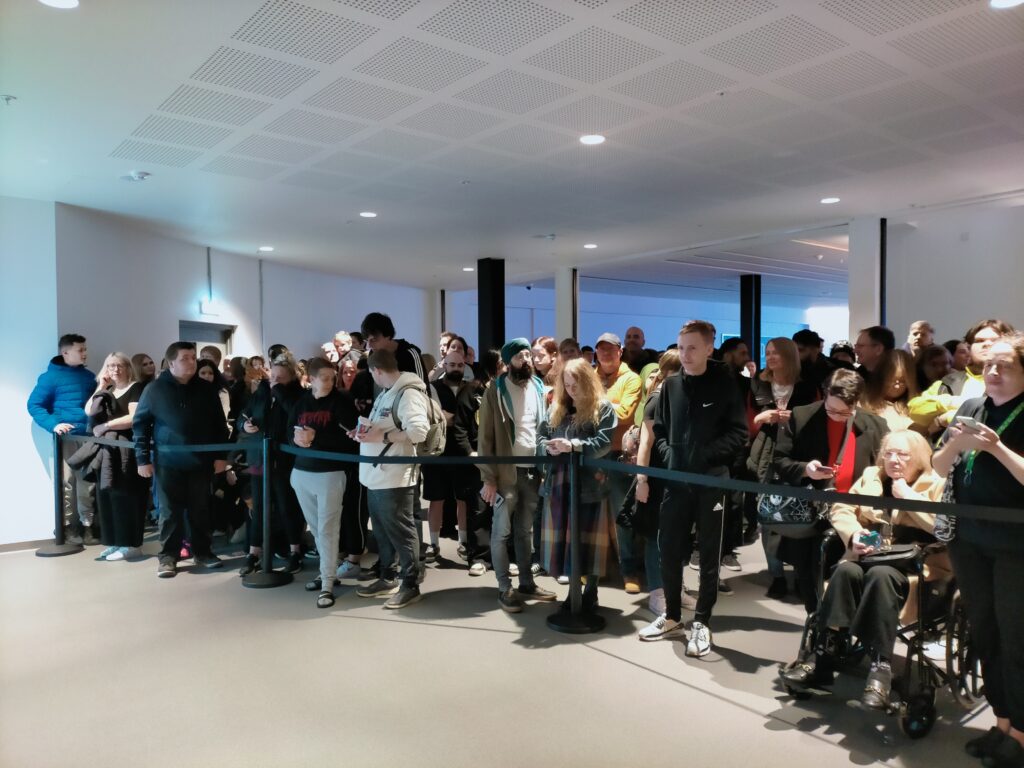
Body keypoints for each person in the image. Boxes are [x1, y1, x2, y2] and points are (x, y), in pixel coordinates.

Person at [781, 430, 946, 708]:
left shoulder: (935, 484)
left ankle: (880, 667)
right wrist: (854, 534)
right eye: (889, 453)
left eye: (902, 454)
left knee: (881, 576)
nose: (893, 460)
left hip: (913, 566)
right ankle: (823, 656)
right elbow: (841, 508)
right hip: (870, 556)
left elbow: (944, 528)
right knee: (846, 571)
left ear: (918, 457)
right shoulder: (871, 475)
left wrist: (907, 496)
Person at [932, 332, 1024, 767]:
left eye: (1004, 366)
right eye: (988, 364)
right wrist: (955, 444)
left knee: (1016, 639)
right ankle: (1003, 721)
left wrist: (996, 447)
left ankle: (1020, 735)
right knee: (985, 632)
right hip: (970, 540)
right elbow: (937, 465)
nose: (992, 372)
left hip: (1015, 546)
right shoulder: (970, 406)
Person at [639, 320, 747, 658]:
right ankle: (672, 615)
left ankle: (701, 621)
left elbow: (738, 433)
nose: (685, 354)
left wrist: (702, 458)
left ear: (709, 348)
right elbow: (662, 432)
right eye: (681, 347)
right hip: (676, 481)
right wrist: (673, 458)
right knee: (668, 546)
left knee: (709, 553)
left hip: (712, 482)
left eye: (693, 347)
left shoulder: (726, 383)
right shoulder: (670, 385)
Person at [772, 369, 889, 613]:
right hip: (811, 513)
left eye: (843, 412)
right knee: (808, 574)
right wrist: (806, 469)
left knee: (855, 573)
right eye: (830, 409)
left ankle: (845, 633)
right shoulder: (802, 416)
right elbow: (780, 460)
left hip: (857, 516)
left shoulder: (876, 426)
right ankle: (816, 627)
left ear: (856, 403)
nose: (835, 416)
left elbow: (882, 470)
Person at [133, 342, 230, 578]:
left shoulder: (206, 389)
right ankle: (168, 557)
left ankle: (203, 552)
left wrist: (220, 456)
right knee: (169, 512)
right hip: (168, 462)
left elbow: (219, 424)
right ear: (171, 362)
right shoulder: (155, 389)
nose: (192, 362)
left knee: (200, 509)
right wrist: (142, 459)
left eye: (193, 358)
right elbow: (141, 425)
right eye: (185, 358)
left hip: (200, 462)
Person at [477, 339, 557, 612]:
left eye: (529, 355)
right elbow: (485, 436)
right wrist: (488, 477)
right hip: (504, 474)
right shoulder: (495, 390)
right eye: (521, 356)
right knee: (501, 533)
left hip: (533, 471)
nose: (527, 360)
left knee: (526, 530)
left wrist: (545, 466)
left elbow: (543, 426)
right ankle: (503, 587)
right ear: (509, 361)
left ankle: (526, 582)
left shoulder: (537, 386)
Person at [352, 349, 430, 609]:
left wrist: (382, 438)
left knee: (401, 531)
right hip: (377, 476)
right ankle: (388, 576)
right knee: (384, 531)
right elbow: (384, 428)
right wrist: (364, 433)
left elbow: (419, 432)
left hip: (396, 478)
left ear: (376, 371)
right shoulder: (387, 393)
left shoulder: (409, 393)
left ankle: (410, 584)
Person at [538, 358, 617, 613]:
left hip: (590, 484)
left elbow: (604, 443)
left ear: (588, 381)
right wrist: (547, 448)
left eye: (576, 385)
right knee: (563, 541)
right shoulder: (557, 407)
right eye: (567, 385)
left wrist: (574, 446)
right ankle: (573, 593)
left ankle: (590, 592)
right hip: (560, 483)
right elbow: (540, 436)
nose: (572, 390)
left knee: (590, 542)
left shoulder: (603, 408)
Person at [747, 337, 819, 600]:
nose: (770, 356)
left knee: (801, 513)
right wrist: (763, 418)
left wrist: (797, 420)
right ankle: (776, 573)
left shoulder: (808, 386)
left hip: (798, 455)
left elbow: (817, 421)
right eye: (767, 352)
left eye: (776, 352)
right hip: (765, 453)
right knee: (768, 516)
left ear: (789, 355)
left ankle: (800, 573)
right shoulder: (757, 383)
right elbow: (746, 422)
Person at [289, 359, 359, 608]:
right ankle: (325, 572)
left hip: (331, 472)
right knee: (318, 528)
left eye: (333, 377)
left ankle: (328, 581)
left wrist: (316, 437)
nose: (331, 382)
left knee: (328, 529)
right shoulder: (301, 402)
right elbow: (289, 431)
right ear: (311, 379)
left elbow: (351, 439)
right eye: (326, 377)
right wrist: (298, 439)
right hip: (302, 471)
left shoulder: (343, 402)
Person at [237, 354, 307, 577]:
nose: (275, 380)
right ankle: (254, 553)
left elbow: (296, 415)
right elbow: (245, 413)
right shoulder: (262, 391)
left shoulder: (298, 394)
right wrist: (244, 424)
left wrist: (279, 392)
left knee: (288, 507)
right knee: (258, 508)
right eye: (273, 376)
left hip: (284, 459)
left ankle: (296, 550)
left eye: (281, 378)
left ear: (292, 377)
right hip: (260, 458)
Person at [27, 333, 98, 544]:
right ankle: (66, 527)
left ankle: (88, 526)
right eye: (81, 350)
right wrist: (54, 425)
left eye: (85, 349)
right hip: (65, 439)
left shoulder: (88, 376)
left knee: (87, 483)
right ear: (65, 352)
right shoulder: (50, 378)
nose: (85, 353)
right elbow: (34, 405)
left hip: (87, 437)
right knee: (65, 483)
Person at [593, 332, 644, 594]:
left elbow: (624, 415)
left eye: (610, 350)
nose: (606, 354)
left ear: (620, 351)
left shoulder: (632, 379)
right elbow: (578, 409)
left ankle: (629, 569)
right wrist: (608, 405)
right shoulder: (591, 377)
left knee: (622, 515)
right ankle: (593, 569)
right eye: (601, 350)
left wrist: (596, 404)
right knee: (592, 513)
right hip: (591, 453)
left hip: (618, 455)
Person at [633, 351, 682, 615]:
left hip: (676, 476)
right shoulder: (656, 399)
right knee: (656, 537)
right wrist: (642, 479)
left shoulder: (678, 396)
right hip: (657, 476)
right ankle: (657, 591)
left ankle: (674, 586)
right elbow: (645, 443)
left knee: (675, 535)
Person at [910, 319, 1015, 437]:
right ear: (969, 348)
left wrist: (949, 417)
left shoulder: (1017, 383)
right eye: (979, 341)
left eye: (994, 340)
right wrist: (951, 402)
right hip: (945, 451)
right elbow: (914, 410)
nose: (987, 344)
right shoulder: (949, 381)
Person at [88, 353, 147, 561]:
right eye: (110, 366)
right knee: (107, 496)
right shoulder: (108, 390)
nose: (115, 370)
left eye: (120, 365)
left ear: (128, 367)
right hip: (107, 449)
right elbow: (89, 411)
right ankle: (114, 541)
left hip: (127, 449)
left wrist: (106, 426)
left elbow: (134, 417)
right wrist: (101, 387)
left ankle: (131, 544)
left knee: (127, 495)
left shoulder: (136, 388)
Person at [422, 350, 479, 561]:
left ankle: (463, 542)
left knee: (463, 499)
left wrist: (451, 419)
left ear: (465, 366)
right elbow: (434, 418)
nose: (456, 368)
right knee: (435, 499)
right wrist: (449, 419)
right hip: (437, 453)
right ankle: (433, 544)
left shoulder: (472, 389)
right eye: (452, 364)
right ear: (444, 365)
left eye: (460, 365)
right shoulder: (433, 389)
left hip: (463, 454)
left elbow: (469, 421)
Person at [860, 350, 919, 432]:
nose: (897, 386)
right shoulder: (863, 403)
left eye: (902, 381)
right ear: (881, 378)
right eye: (892, 380)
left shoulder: (916, 405)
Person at [359, 312, 426, 382]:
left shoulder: (410, 354)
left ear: (388, 336)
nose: (369, 346)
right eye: (367, 341)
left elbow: (422, 389)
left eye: (374, 340)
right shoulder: (372, 355)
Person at [793, 329, 838, 395]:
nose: (796, 355)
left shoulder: (832, 372)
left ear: (815, 349)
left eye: (800, 350)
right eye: (794, 351)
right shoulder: (792, 369)